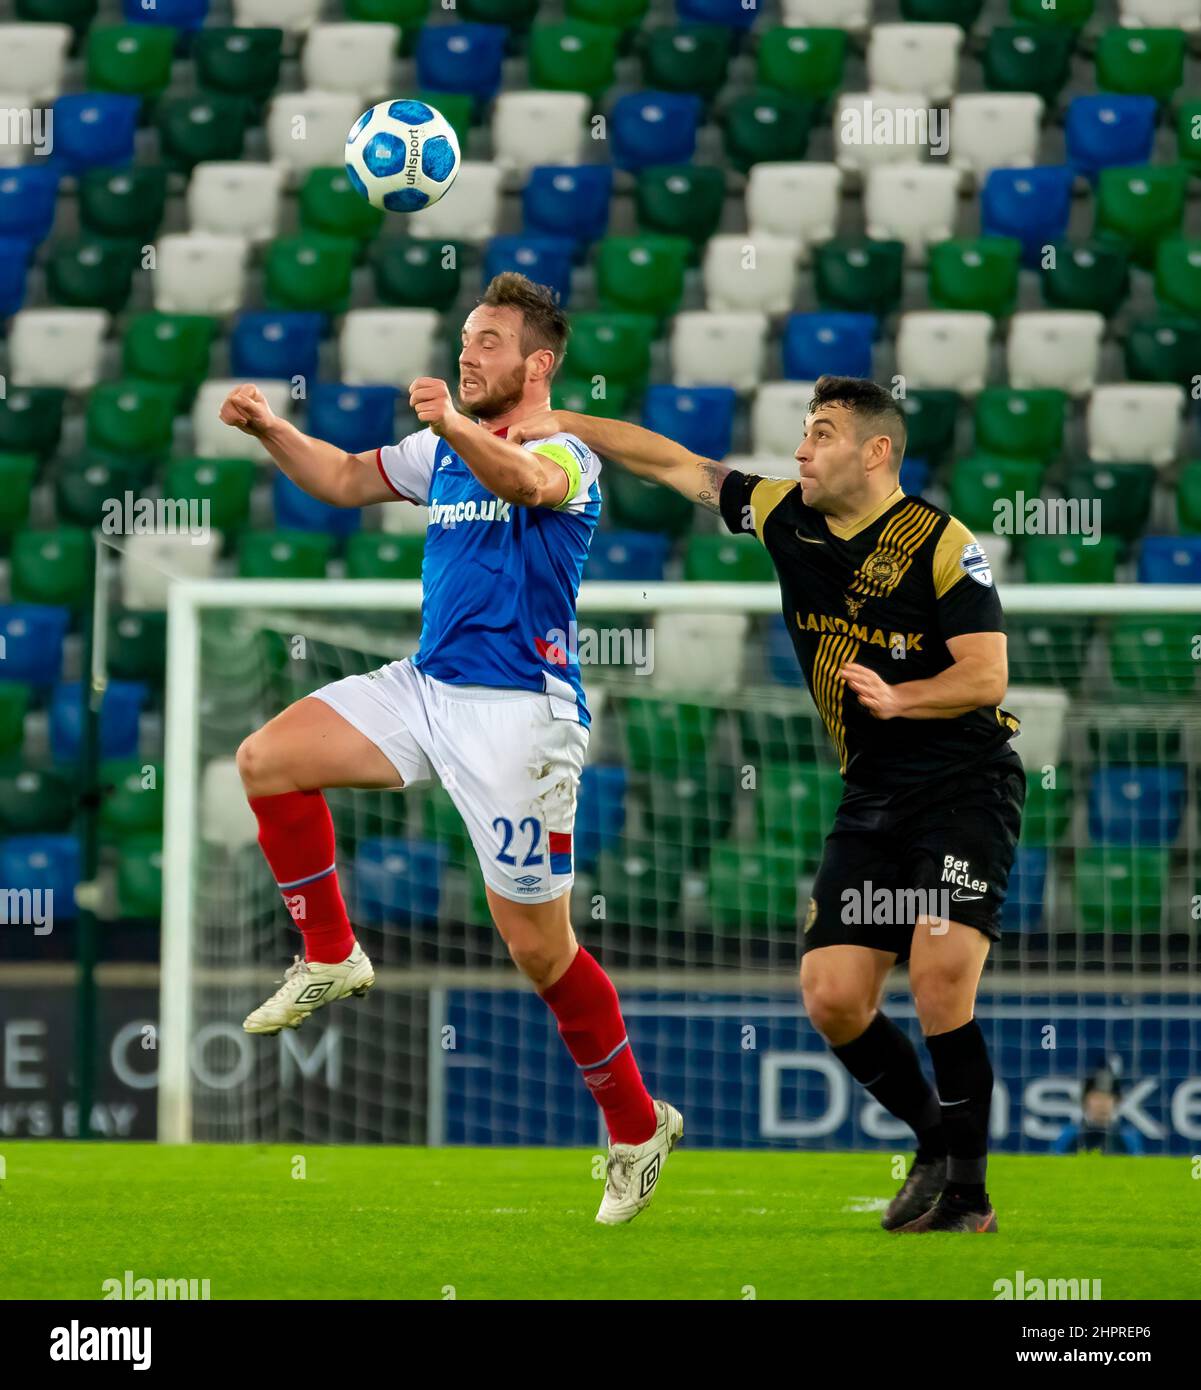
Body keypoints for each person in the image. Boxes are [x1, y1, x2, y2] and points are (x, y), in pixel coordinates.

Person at [508, 375, 1026, 1233]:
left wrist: (902, 699)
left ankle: (969, 1197)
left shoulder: (940, 542)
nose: (798, 450)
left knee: (938, 980)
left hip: (963, 787)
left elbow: (987, 673)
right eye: (801, 433)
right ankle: (935, 1140)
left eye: (820, 434)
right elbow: (677, 466)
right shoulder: (785, 513)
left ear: (875, 451)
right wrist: (562, 420)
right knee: (831, 996)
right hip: (872, 795)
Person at [219, 272, 682, 1224]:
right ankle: (331, 952)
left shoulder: (565, 451)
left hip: (521, 718)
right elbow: (346, 477)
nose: (467, 354)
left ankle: (636, 1128)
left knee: (539, 950)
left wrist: (453, 426)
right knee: (267, 759)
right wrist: (272, 430)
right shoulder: (445, 453)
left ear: (537, 364)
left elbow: (527, 481)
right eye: (465, 339)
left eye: (488, 342)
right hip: (428, 687)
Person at [1053, 1066, 1145, 1155]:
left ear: (1116, 1102)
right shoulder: (1069, 1136)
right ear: (1085, 1101)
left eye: (1107, 1097)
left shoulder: (1128, 1138)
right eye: (1097, 1097)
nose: (1102, 1103)